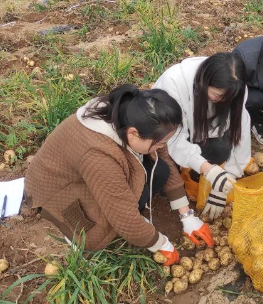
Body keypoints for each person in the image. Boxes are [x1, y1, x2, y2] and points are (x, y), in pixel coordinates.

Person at [25, 84, 214, 266]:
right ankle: (71, 235)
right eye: (158, 143)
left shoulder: (133, 114)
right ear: (133, 134)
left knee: (161, 169)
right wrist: (160, 244)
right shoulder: (98, 157)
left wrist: (186, 215)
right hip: (57, 191)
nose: (162, 147)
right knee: (104, 226)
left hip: (87, 172)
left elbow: (163, 156)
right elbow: (124, 220)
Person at [153, 53, 250, 221]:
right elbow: (173, 138)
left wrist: (225, 184)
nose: (222, 101)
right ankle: (178, 179)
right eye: (218, 95)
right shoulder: (173, 84)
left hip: (201, 133)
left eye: (228, 98)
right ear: (204, 82)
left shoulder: (236, 89)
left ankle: (195, 174)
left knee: (221, 150)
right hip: (165, 138)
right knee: (163, 173)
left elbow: (241, 129)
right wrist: (208, 169)